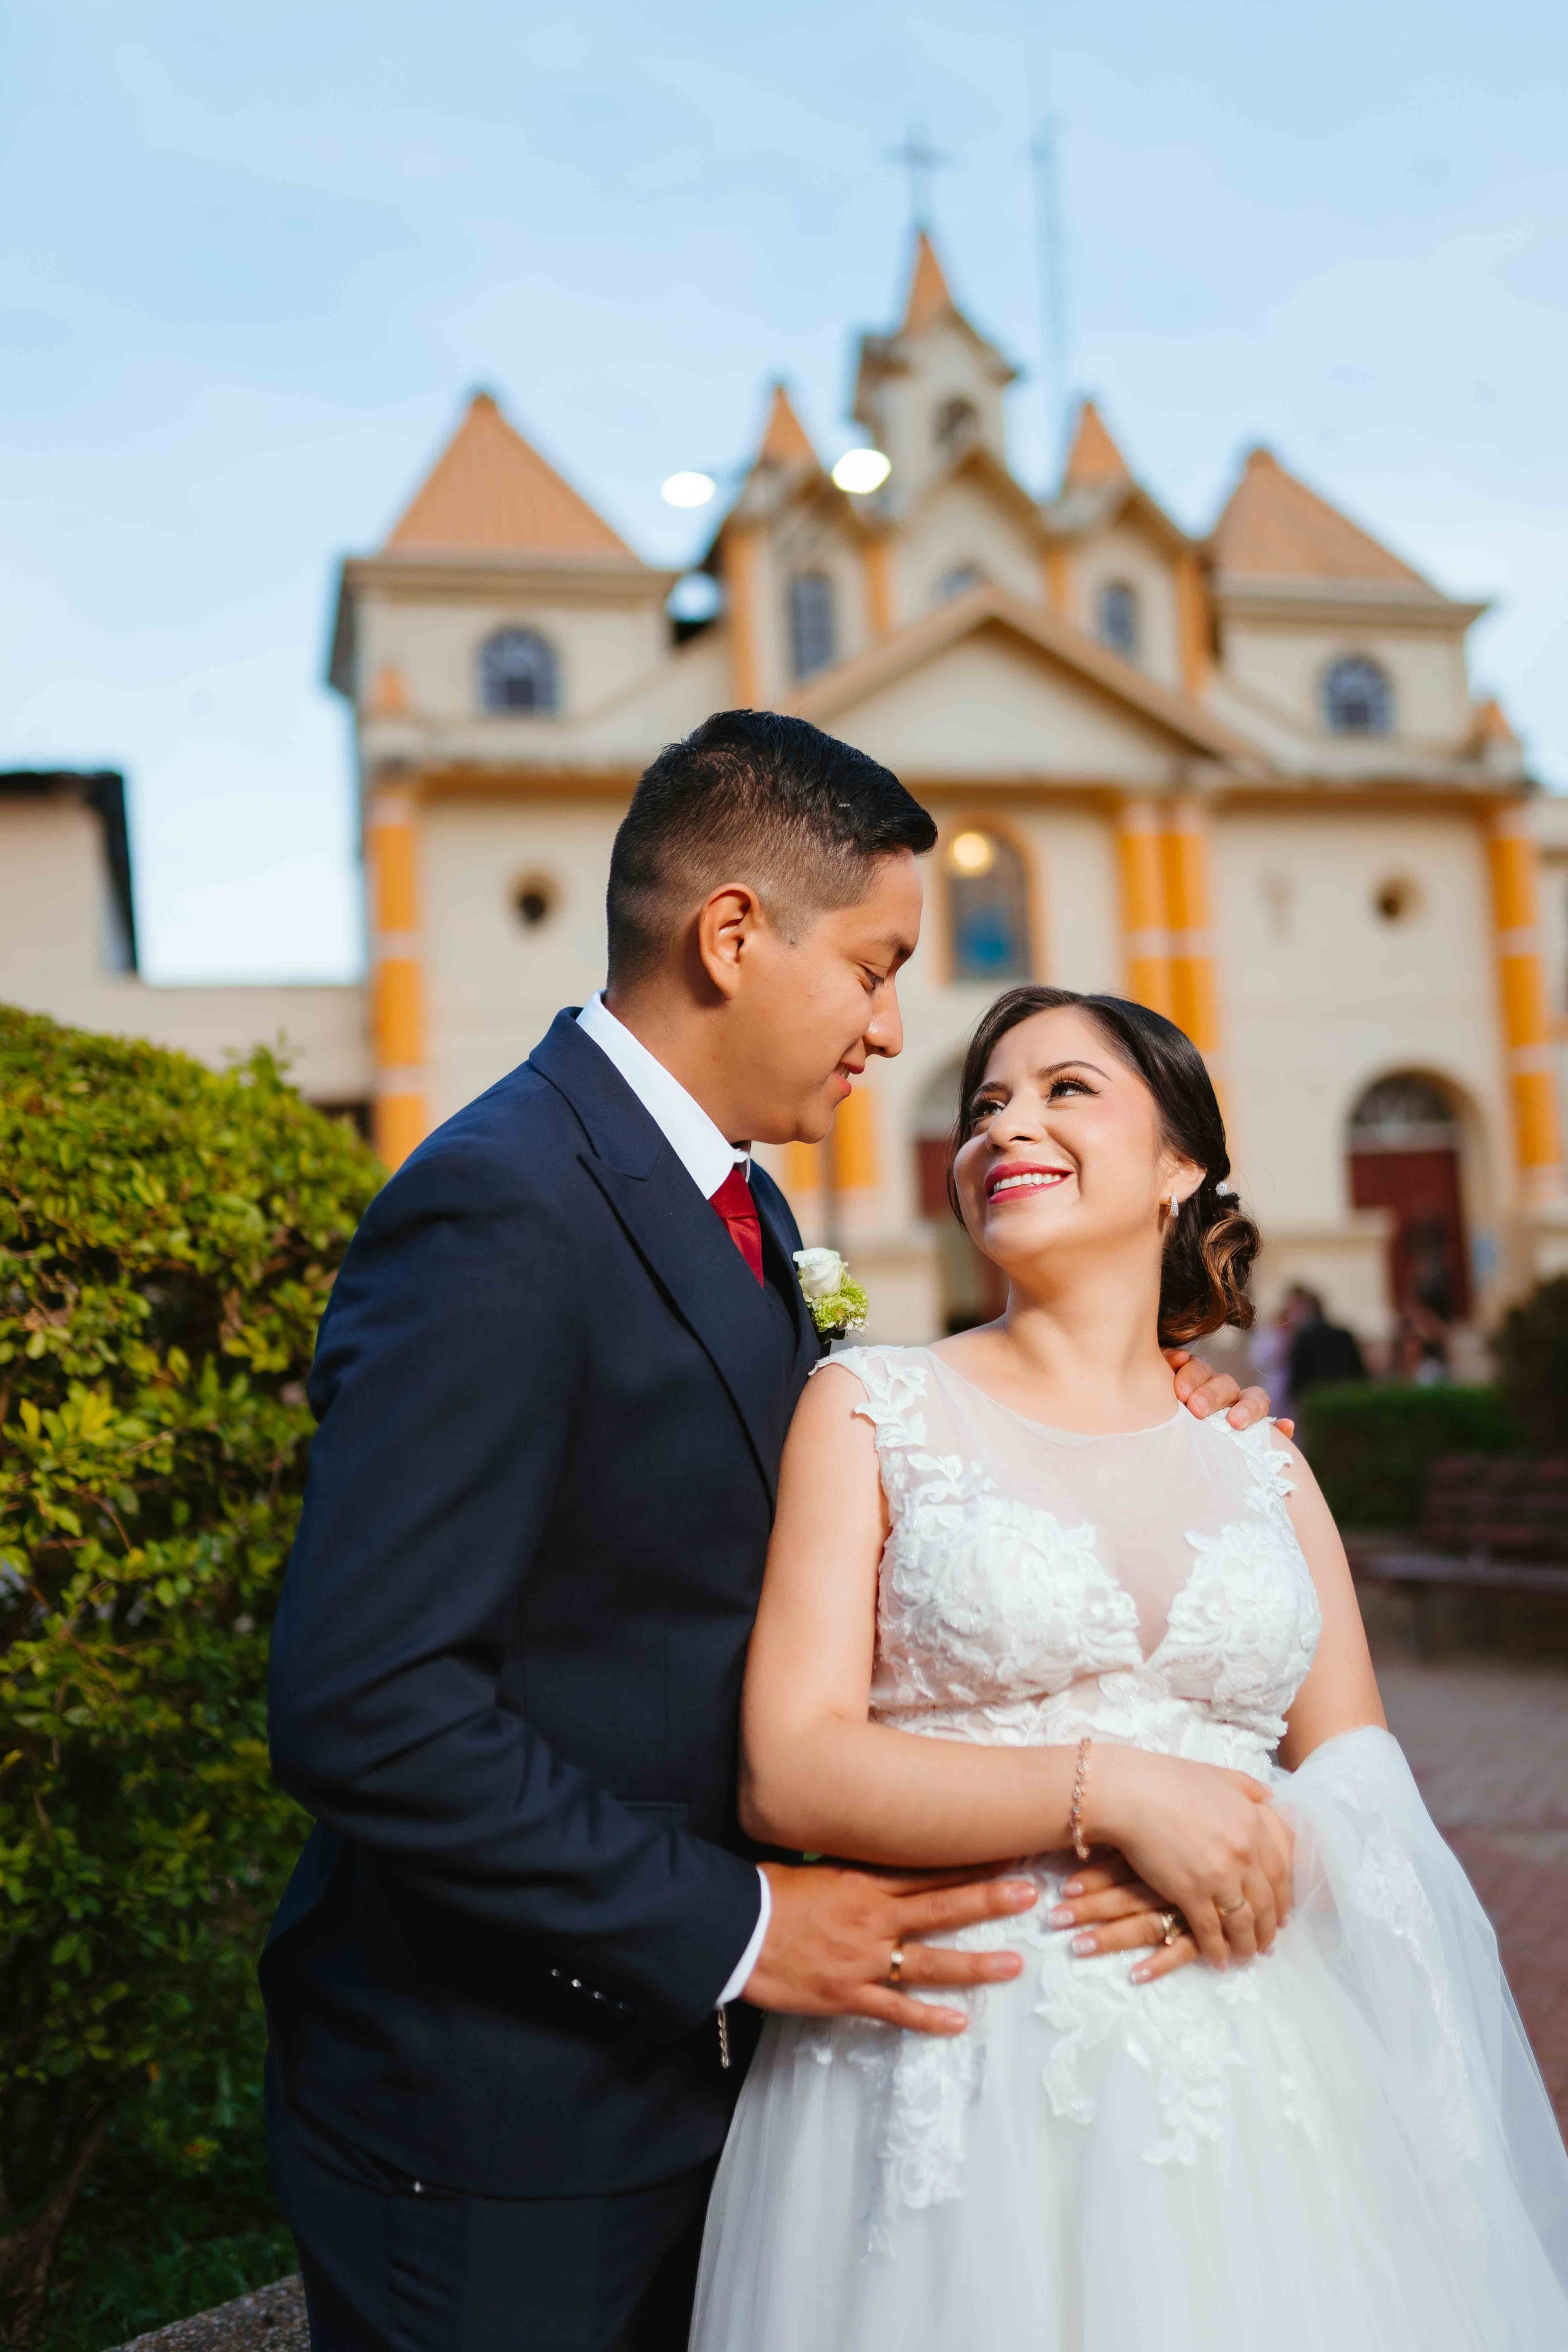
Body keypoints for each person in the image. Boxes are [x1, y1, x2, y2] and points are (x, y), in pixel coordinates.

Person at [260, 715, 1276, 2352]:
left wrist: (1151, 1439)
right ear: (733, 935)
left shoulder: (746, 1207)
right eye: (874, 967)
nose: (892, 1028)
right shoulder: (503, 1204)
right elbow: (365, 1701)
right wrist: (731, 1926)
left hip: (704, 2092)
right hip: (501, 2111)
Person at [690, 983, 1568, 2351]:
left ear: (1179, 1167)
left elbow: (1363, 1779)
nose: (1003, 1126)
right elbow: (787, 1768)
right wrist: (1115, 1793)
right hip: (947, 2084)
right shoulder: (868, 1410)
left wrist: (1252, 1844)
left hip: (1254, 2081)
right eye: (982, 1103)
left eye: (1063, 1090)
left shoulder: (1258, 1458)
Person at [1286, 1283, 1366, 1401]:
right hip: (1345, 1393)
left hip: (1317, 1396)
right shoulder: (1343, 1334)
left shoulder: (1305, 1337)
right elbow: (1358, 1370)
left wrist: (1293, 1393)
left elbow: (1299, 1372)